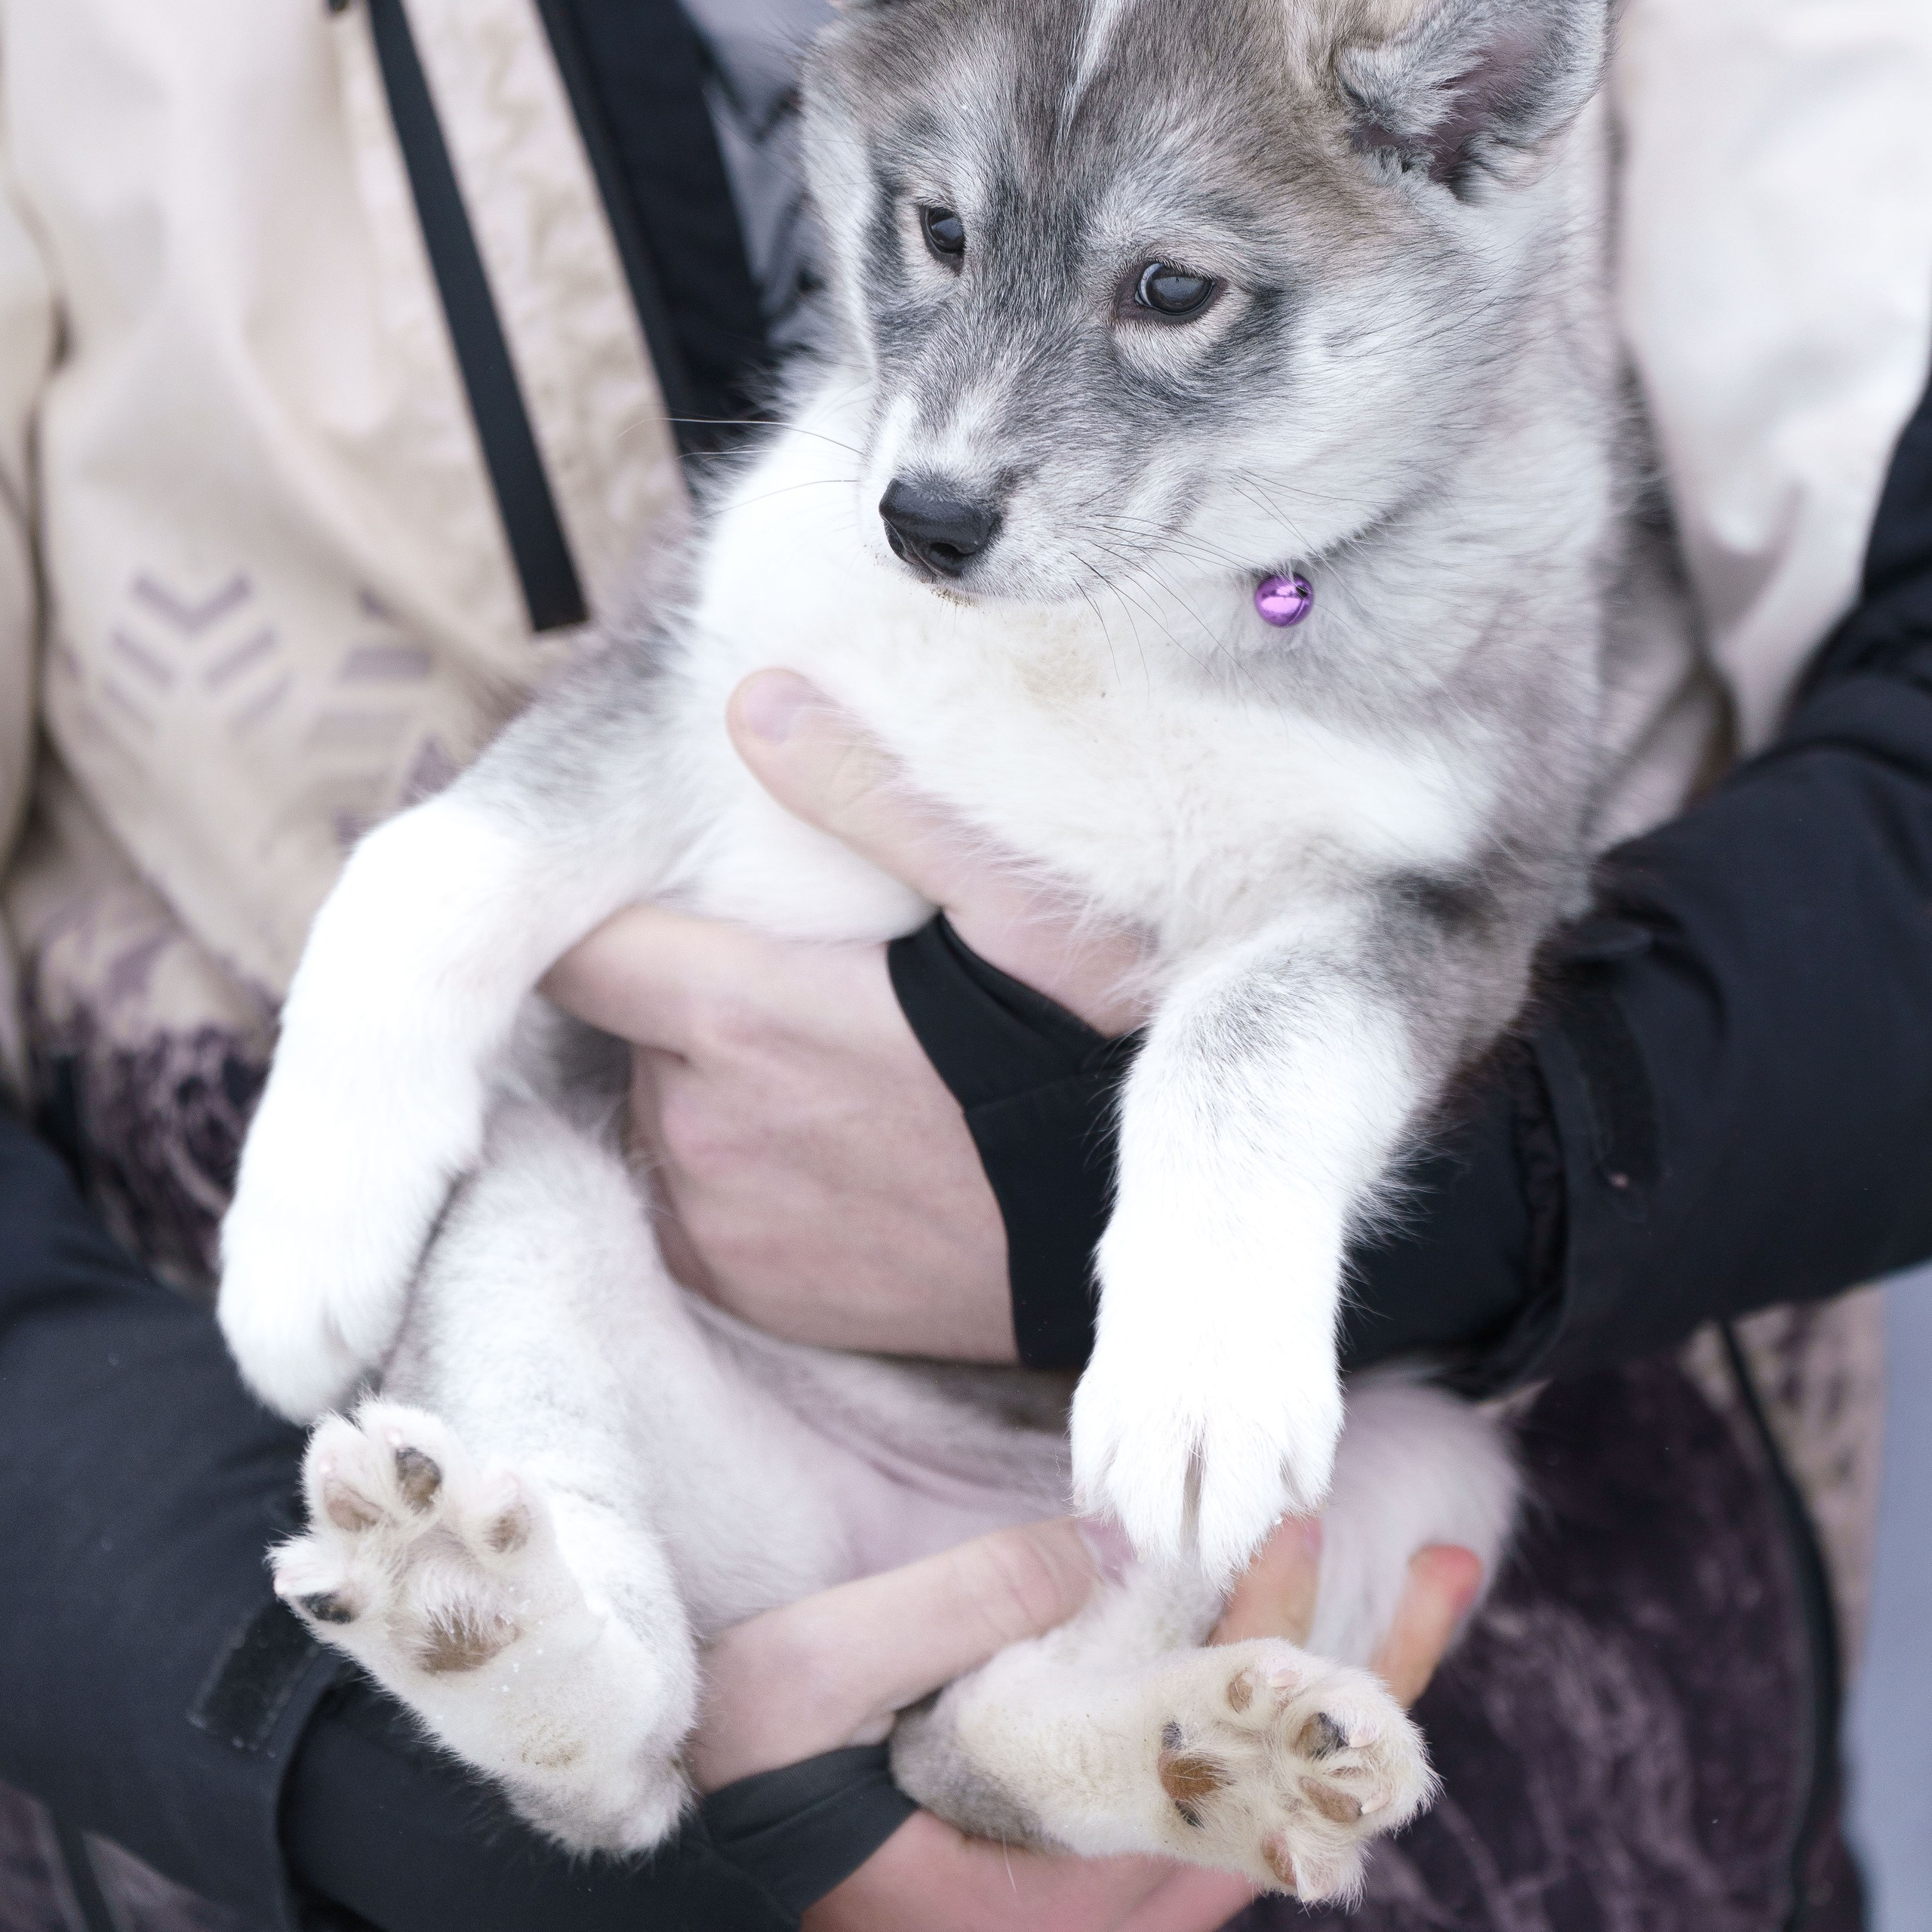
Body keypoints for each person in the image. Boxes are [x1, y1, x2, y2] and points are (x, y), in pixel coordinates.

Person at [2, 0, 1930, 1926]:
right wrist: (342, 1778)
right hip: (604, 1461)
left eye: (1169, 291)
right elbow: (647, 737)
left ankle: (1063, 1738)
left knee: (1426, 1468)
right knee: (519, 1222)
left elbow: (1437, 907)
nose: (939, 453)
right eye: (928, 240)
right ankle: (560, 1667)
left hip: (1460, 1737)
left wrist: (1492, 1193)